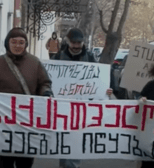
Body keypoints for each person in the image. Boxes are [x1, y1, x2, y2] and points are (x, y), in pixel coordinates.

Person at [0, 27, 53, 168]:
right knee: (5, 161)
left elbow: (44, 83)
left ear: (26, 44)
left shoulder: (34, 63)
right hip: (4, 123)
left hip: (27, 123)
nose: (17, 46)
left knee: (25, 162)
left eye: (21, 42)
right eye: (14, 42)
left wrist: (46, 93)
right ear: (7, 43)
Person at [52, 27, 113, 168]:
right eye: (73, 43)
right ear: (68, 42)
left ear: (83, 43)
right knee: (64, 142)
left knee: (77, 142)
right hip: (63, 109)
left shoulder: (90, 57)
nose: (76, 46)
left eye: (78, 43)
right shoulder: (58, 58)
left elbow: (99, 80)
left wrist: (106, 90)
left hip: (82, 110)